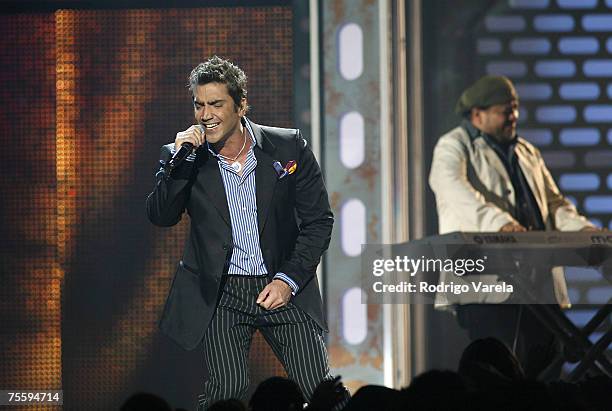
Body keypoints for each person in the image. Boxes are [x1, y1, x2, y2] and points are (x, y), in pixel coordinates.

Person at [147, 56, 344, 409]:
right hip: (220, 292)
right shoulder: (184, 157)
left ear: (241, 105)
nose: (205, 114)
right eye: (199, 104)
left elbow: (318, 221)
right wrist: (180, 160)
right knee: (227, 389)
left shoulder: (287, 146)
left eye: (216, 104)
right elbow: (161, 216)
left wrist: (288, 280)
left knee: (320, 388)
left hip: (280, 282)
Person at [428, 75, 598, 378]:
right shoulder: (453, 146)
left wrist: (587, 232)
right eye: (505, 110)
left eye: (515, 108)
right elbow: (454, 190)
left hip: (536, 281)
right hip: (489, 282)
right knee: (499, 372)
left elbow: (555, 205)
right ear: (477, 115)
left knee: (546, 364)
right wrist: (501, 224)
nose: (513, 117)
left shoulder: (526, 152)